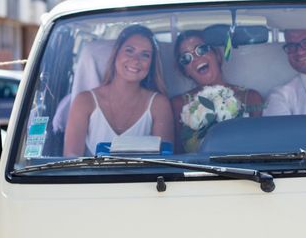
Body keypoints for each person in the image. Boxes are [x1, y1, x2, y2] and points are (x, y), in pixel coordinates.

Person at [64, 25, 174, 156]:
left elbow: (166, 162)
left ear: (151, 64)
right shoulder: (85, 102)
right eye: (129, 50)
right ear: (116, 53)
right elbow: (70, 160)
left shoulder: (159, 104)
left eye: (145, 55)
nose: (135, 60)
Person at [172, 30, 263, 152]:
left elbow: (259, 148)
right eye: (186, 58)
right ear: (185, 71)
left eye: (202, 49)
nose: (196, 59)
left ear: (217, 55)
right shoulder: (178, 104)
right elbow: (176, 156)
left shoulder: (251, 98)